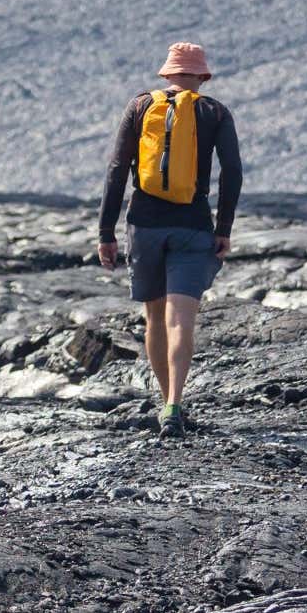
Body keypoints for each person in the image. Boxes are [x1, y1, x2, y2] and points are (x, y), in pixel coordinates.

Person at [97, 41, 243, 438]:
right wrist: (224, 228)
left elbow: (116, 169)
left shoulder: (141, 106)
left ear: (167, 74)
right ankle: (176, 403)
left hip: (144, 224)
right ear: (201, 76)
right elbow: (232, 171)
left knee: (154, 319)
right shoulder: (214, 111)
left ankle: (166, 405)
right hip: (193, 225)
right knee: (182, 320)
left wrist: (105, 232)